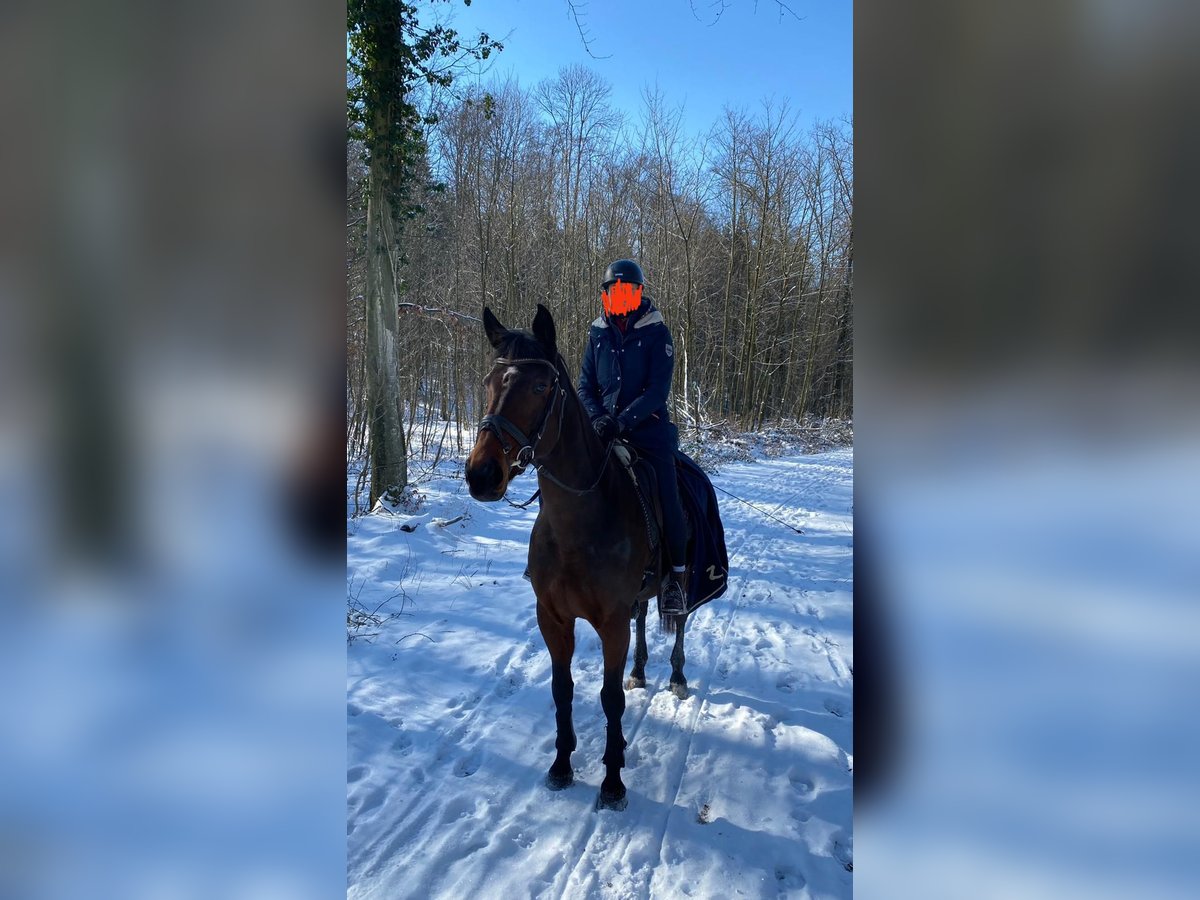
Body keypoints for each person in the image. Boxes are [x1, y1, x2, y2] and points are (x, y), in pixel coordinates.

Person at [578, 259, 689, 614]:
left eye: (626, 290)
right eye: (613, 290)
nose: (619, 295)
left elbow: (657, 391)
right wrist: (596, 418)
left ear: (638, 293)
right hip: (604, 432)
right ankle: (550, 560)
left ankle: (675, 577)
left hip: (648, 431)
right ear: (606, 294)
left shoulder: (657, 333)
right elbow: (585, 386)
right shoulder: (597, 333)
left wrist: (622, 421)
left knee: (668, 494)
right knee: (564, 475)